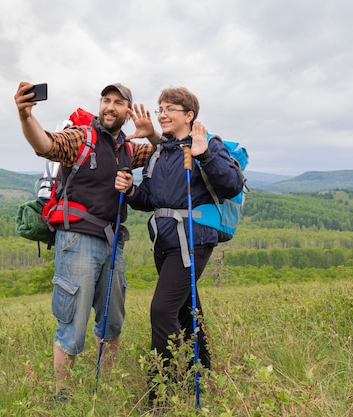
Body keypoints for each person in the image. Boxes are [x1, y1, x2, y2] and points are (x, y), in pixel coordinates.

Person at [14, 82, 157, 399]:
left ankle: (105, 387)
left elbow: (164, 153)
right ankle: (62, 395)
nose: (109, 106)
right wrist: (25, 117)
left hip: (113, 243)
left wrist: (152, 133)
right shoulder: (82, 137)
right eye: (105, 100)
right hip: (76, 241)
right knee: (72, 326)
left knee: (112, 322)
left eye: (118, 102)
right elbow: (46, 144)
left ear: (128, 111)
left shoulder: (129, 148)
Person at [114, 87, 244, 402]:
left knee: (161, 309)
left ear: (189, 115)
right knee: (186, 311)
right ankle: (205, 376)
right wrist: (131, 190)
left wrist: (205, 154)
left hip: (193, 240)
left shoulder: (207, 144)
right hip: (165, 240)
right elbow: (152, 199)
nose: (162, 113)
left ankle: (161, 395)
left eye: (170, 108)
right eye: (160, 108)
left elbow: (232, 184)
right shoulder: (162, 152)